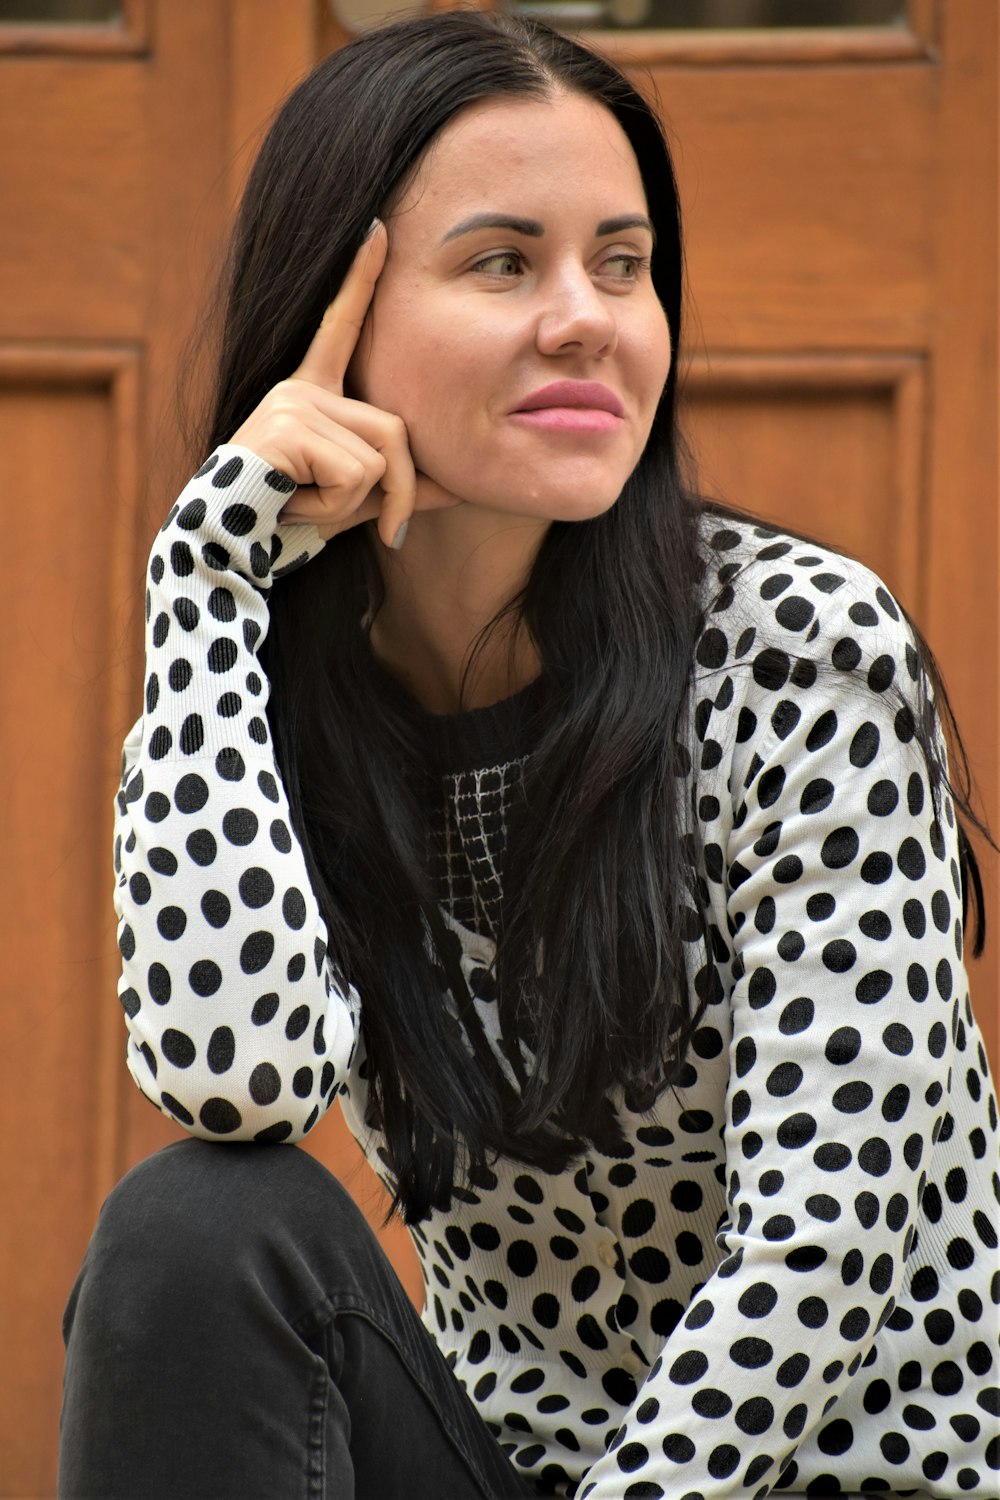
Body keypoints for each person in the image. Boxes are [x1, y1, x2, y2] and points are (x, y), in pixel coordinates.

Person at [59, 12, 998, 1500]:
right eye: (505, 262)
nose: (587, 319)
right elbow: (232, 1084)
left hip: (822, 1476)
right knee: (192, 1233)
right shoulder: (276, 692)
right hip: (519, 1469)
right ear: (338, 320)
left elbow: (832, 1236)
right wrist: (207, 579)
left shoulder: (799, 650)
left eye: (621, 264)